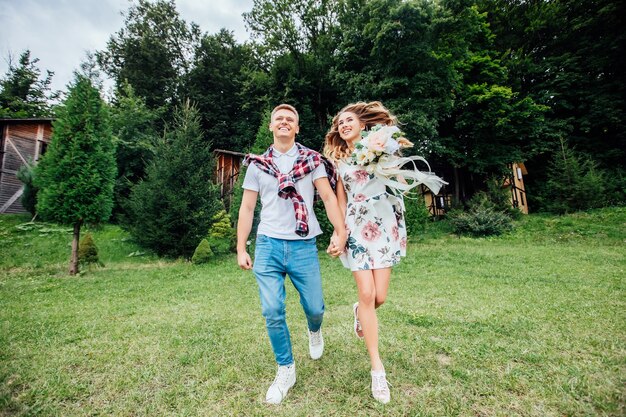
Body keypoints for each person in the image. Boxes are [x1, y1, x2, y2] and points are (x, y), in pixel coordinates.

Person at [323, 101, 445, 404]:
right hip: (357, 227)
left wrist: (386, 160)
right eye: (339, 123)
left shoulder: (382, 147)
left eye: (348, 120)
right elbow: (340, 201)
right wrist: (340, 232)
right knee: (367, 294)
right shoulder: (338, 161)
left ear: (364, 124)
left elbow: (399, 178)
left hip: (385, 224)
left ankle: (358, 313)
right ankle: (377, 370)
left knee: (379, 298)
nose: (343, 125)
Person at [237, 103, 347, 405]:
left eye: (290, 119)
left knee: (315, 308)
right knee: (272, 311)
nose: (284, 122)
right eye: (279, 119)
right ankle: (285, 369)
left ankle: (315, 330)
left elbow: (326, 196)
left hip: (303, 245)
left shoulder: (311, 160)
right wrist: (241, 246)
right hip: (268, 245)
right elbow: (247, 208)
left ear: (297, 128)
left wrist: (340, 232)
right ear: (272, 126)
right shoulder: (258, 164)